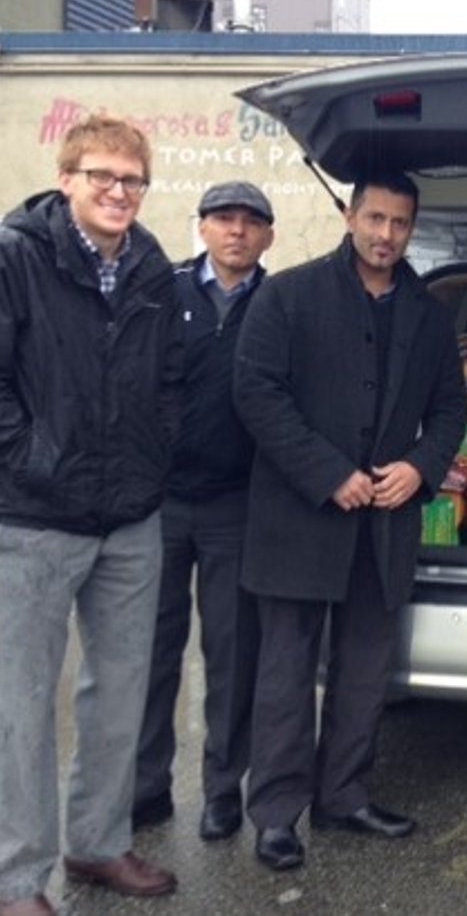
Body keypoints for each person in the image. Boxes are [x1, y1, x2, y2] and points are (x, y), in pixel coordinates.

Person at [0, 117, 182, 915]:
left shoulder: (150, 267)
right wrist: (42, 459)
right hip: (38, 518)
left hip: (130, 518)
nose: (119, 192)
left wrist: (153, 458)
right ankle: (17, 880)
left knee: (120, 692)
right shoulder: (13, 257)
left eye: (133, 181)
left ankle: (97, 842)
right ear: (68, 176)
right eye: (103, 176)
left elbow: (169, 383)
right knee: (24, 702)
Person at [233, 170, 467, 872]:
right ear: (349, 215)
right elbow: (255, 390)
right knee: (284, 674)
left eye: (399, 223)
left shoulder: (428, 313)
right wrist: (326, 471)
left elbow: (453, 408)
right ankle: (277, 814)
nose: (386, 235)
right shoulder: (289, 295)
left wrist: (421, 466)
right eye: (375, 218)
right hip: (299, 517)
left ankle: (344, 796)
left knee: (365, 668)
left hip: (385, 523)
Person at [133, 182, 276, 841]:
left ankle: (223, 790)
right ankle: (145, 786)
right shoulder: (162, 292)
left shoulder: (278, 304)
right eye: (224, 219)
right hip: (159, 503)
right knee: (150, 651)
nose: (237, 232)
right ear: (203, 227)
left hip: (235, 506)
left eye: (251, 222)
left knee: (231, 653)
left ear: (267, 236)